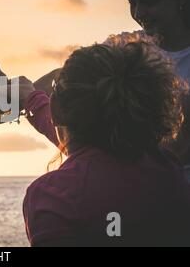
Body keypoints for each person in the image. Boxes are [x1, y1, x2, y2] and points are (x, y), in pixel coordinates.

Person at [33, 0, 190, 172]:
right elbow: (47, 86)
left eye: (149, 1)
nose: (138, 13)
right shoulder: (126, 47)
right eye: (132, 3)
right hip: (132, 190)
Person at [18, 42, 190, 246]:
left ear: (56, 107)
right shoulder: (168, 167)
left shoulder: (52, 196)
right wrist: (35, 101)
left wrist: (36, 101)